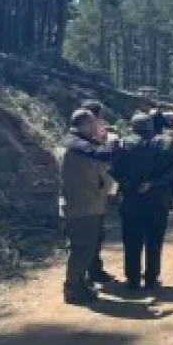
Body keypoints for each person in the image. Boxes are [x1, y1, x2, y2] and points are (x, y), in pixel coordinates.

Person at [109, 114, 173, 291]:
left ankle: (133, 279)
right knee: (154, 240)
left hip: (131, 199)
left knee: (131, 241)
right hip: (157, 200)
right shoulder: (166, 143)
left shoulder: (122, 144)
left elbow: (113, 170)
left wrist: (130, 184)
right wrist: (154, 184)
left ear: (133, 126)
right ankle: (151, 277)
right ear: (151, 126)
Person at [60, 109, 118, 304]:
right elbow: (102, 155)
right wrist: (112, 141)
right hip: (82, 206)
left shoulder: (75, 142)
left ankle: (79, 284)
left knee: (83, 247)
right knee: (82, 248)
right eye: (94, 123)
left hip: (83, 203)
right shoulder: (76, 144)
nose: (97, 127)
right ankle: (73, 288)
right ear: (85, 124)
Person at [79, 99, 117, 285]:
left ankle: (94, 270)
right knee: (90, 235)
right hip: (91, 191)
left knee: (96, 234)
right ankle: (89, 273)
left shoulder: (87, 134)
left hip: (95, 189)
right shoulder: (86, 138)